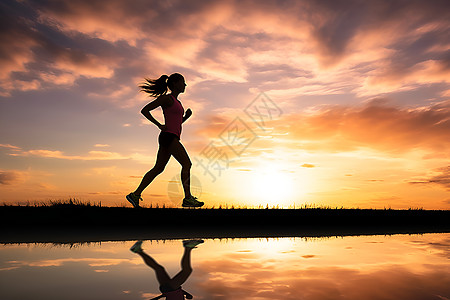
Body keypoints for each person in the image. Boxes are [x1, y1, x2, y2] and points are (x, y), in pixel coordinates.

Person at [126, 73, 204, 208]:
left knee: (159, 168)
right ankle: (188, 198)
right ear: (175, 83)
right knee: (187, 164)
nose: (185, 85)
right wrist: (159, 125)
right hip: (168, 137)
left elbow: (177, 123)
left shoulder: (177, 102)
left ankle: (135, 194)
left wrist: (186, 117)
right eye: (182, 82)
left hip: (170, 136)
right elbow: (145, 110)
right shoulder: (167, 99)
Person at [130, 240, 204, 300]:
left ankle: (188, 247)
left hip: (171, 289)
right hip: (168, 290)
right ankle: (137, 250)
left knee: (187, 271)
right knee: (159, 269)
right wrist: (186, 294)